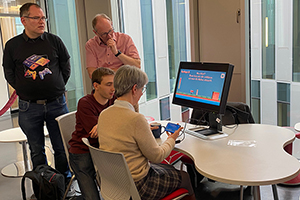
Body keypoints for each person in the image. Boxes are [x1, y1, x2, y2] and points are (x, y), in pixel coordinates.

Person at [97, 65, 196, 200]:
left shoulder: (104, 114)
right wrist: (172, 138)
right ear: (134, 89)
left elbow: (124, 133)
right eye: (142, 89)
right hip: (138, 185)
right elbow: (158, 156)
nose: (142, 94)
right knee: (184, 177)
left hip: (113, 182)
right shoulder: (136, 119)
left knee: (164, 169)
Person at [2, 2, 71, 181]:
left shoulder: (54, 41)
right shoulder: (12, 45)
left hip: (57, 103)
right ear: (23, 20)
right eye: (37, 18)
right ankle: (44, 185)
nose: (42, 22)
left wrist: (58, 84)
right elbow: (8, 71)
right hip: (29, 106)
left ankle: (64, 183)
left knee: (61, 147)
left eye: (43, 18)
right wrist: (22, 87)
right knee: (36, 149)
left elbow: (65, 65)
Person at [68, 67, 115, 200]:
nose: (113, 89)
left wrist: (101, 125)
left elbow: (123, 119)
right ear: (96, 86)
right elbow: (99, 133)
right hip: (82, 152)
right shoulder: (85, 103)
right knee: (92, 197)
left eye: (114, 84)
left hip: (103, 149)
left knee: (119, 187)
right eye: (108, 84)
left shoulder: (113, 99)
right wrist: (105, 126)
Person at [85, 13, 140, 78]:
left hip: (124, 82)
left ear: (111, 24)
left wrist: (117, 53)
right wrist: (123, 71)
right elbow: (92, 74)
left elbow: (137, 66)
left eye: (110, 31)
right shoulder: (91, 45)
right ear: (95, 33)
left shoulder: (125, 39)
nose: (109, 36)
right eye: (104, 34)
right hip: (104, 85)